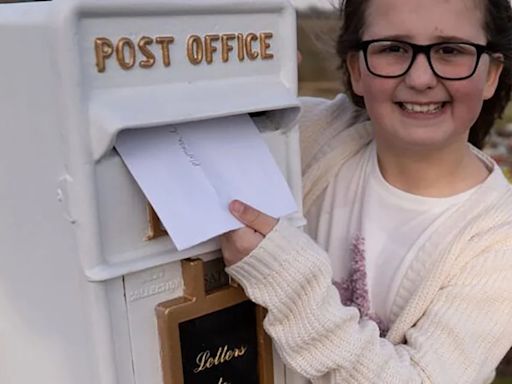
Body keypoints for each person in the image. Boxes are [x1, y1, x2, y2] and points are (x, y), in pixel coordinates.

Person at [220, 0, 512, 382]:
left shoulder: (498, 242)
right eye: (393, 48)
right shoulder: (307, 135)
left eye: (450, 50)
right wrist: (240, 91)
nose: (421, 78)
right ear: (357, 69)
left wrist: (288, 281)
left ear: (491, 74)